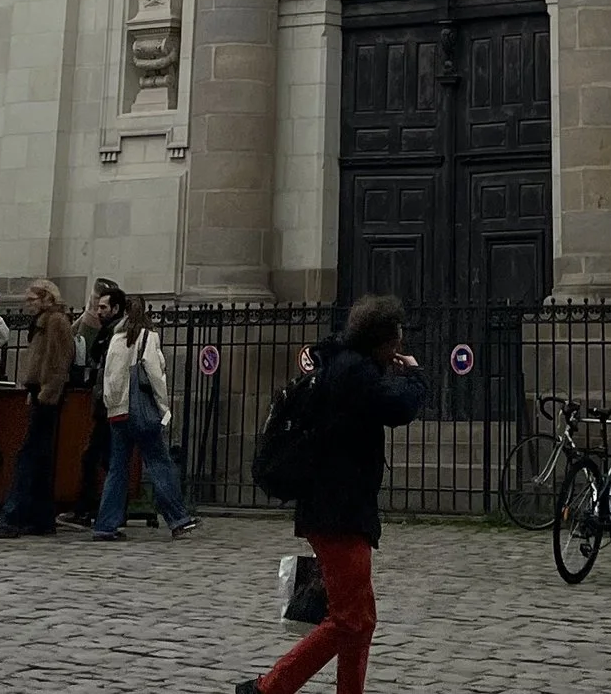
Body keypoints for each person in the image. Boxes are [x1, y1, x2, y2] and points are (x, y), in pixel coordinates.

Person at [236, 295, 425, 694]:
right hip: (337, 510)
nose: (399, 346)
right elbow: (399, 407)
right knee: (348, 619)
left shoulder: (347, 364)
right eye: (396, 340)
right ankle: (268, 688)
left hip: (338, 507)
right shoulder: (354, 372)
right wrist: (414, 375)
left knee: (361, 619)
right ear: (382, 340)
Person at [89, 296, 193, 542]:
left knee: (117, 469)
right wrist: (163, 407)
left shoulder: (116, 338)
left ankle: (105, 524)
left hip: (118, 411)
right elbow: (155, 375)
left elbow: (108, 376)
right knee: (159, 463)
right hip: (141, 411)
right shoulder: (147, 337)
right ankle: (178, 519)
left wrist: (112, 405)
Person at [0, 281, 73, 536]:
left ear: (45, 298)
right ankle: (41, 518)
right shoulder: (42, 322)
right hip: (39, 392)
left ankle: (13, 515)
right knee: (40, 458)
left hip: (47, 396)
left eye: (31, 299)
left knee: (29, 456)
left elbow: (58, 361)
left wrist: (46, 392)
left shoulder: (55, 322)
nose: (27, 304)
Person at [72, 280, 123, 528]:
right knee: (103, 458)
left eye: (103, 307)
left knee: (98, 458)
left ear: (115, 309)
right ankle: (99, 510)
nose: (98, 311)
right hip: (106, 404)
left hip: (110, 405)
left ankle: (92, 510)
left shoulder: (115, 333)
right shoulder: (107, 331)